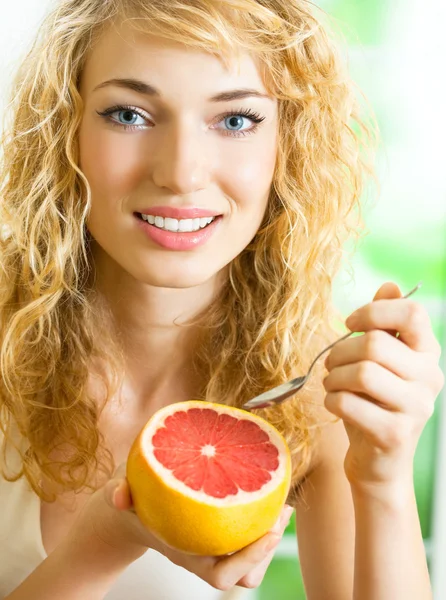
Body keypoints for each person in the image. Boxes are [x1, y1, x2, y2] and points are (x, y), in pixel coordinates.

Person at [0, 0, 443, 598]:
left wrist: (384, 479)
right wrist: (105, 543)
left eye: (235, 120)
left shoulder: (314, 384)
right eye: (129, 113)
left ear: (290, 144)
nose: (182, 173)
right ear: (64, 129)